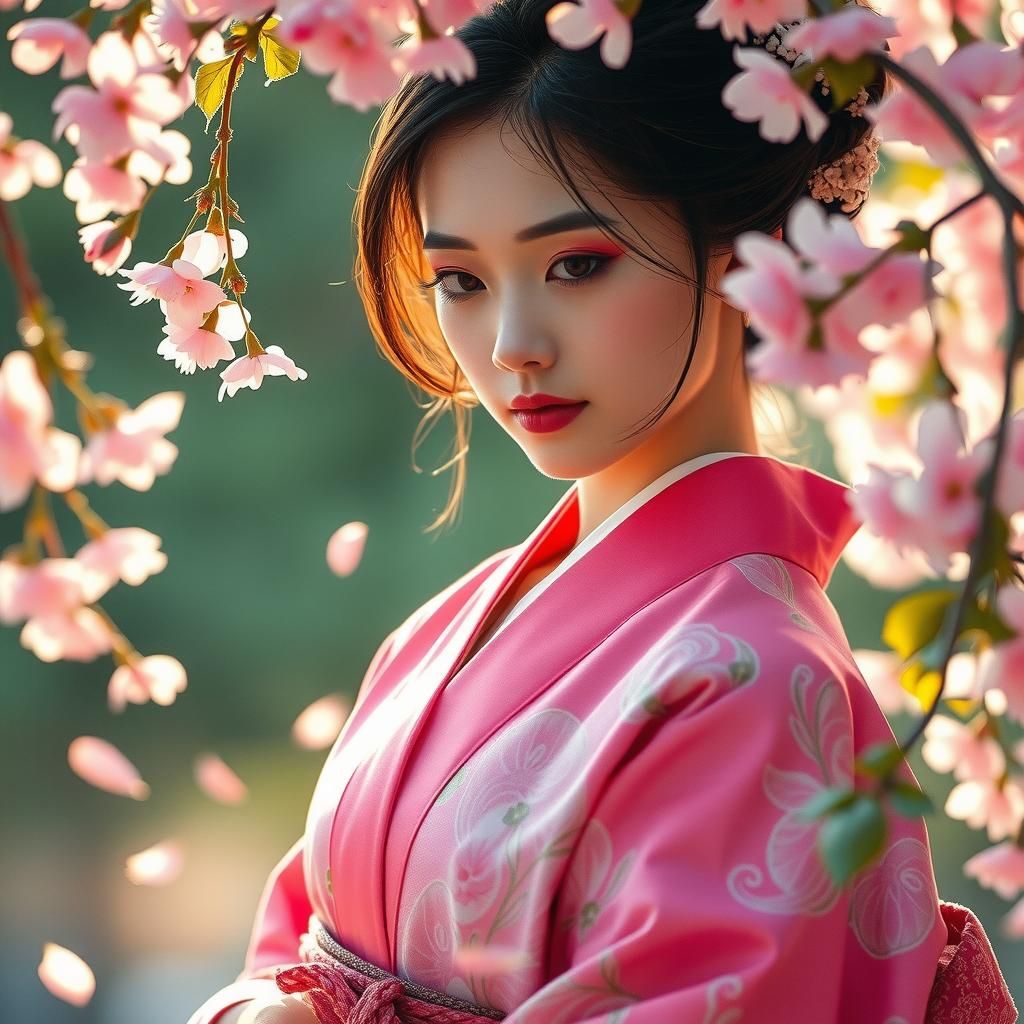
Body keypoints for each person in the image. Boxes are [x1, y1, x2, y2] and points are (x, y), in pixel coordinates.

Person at [187, 1, 1017, 1022]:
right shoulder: (442, 627)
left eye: (576, 264)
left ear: (740, 246)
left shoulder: (759, 685)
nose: (510, 344)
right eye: (460, 280)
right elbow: (303, 936)